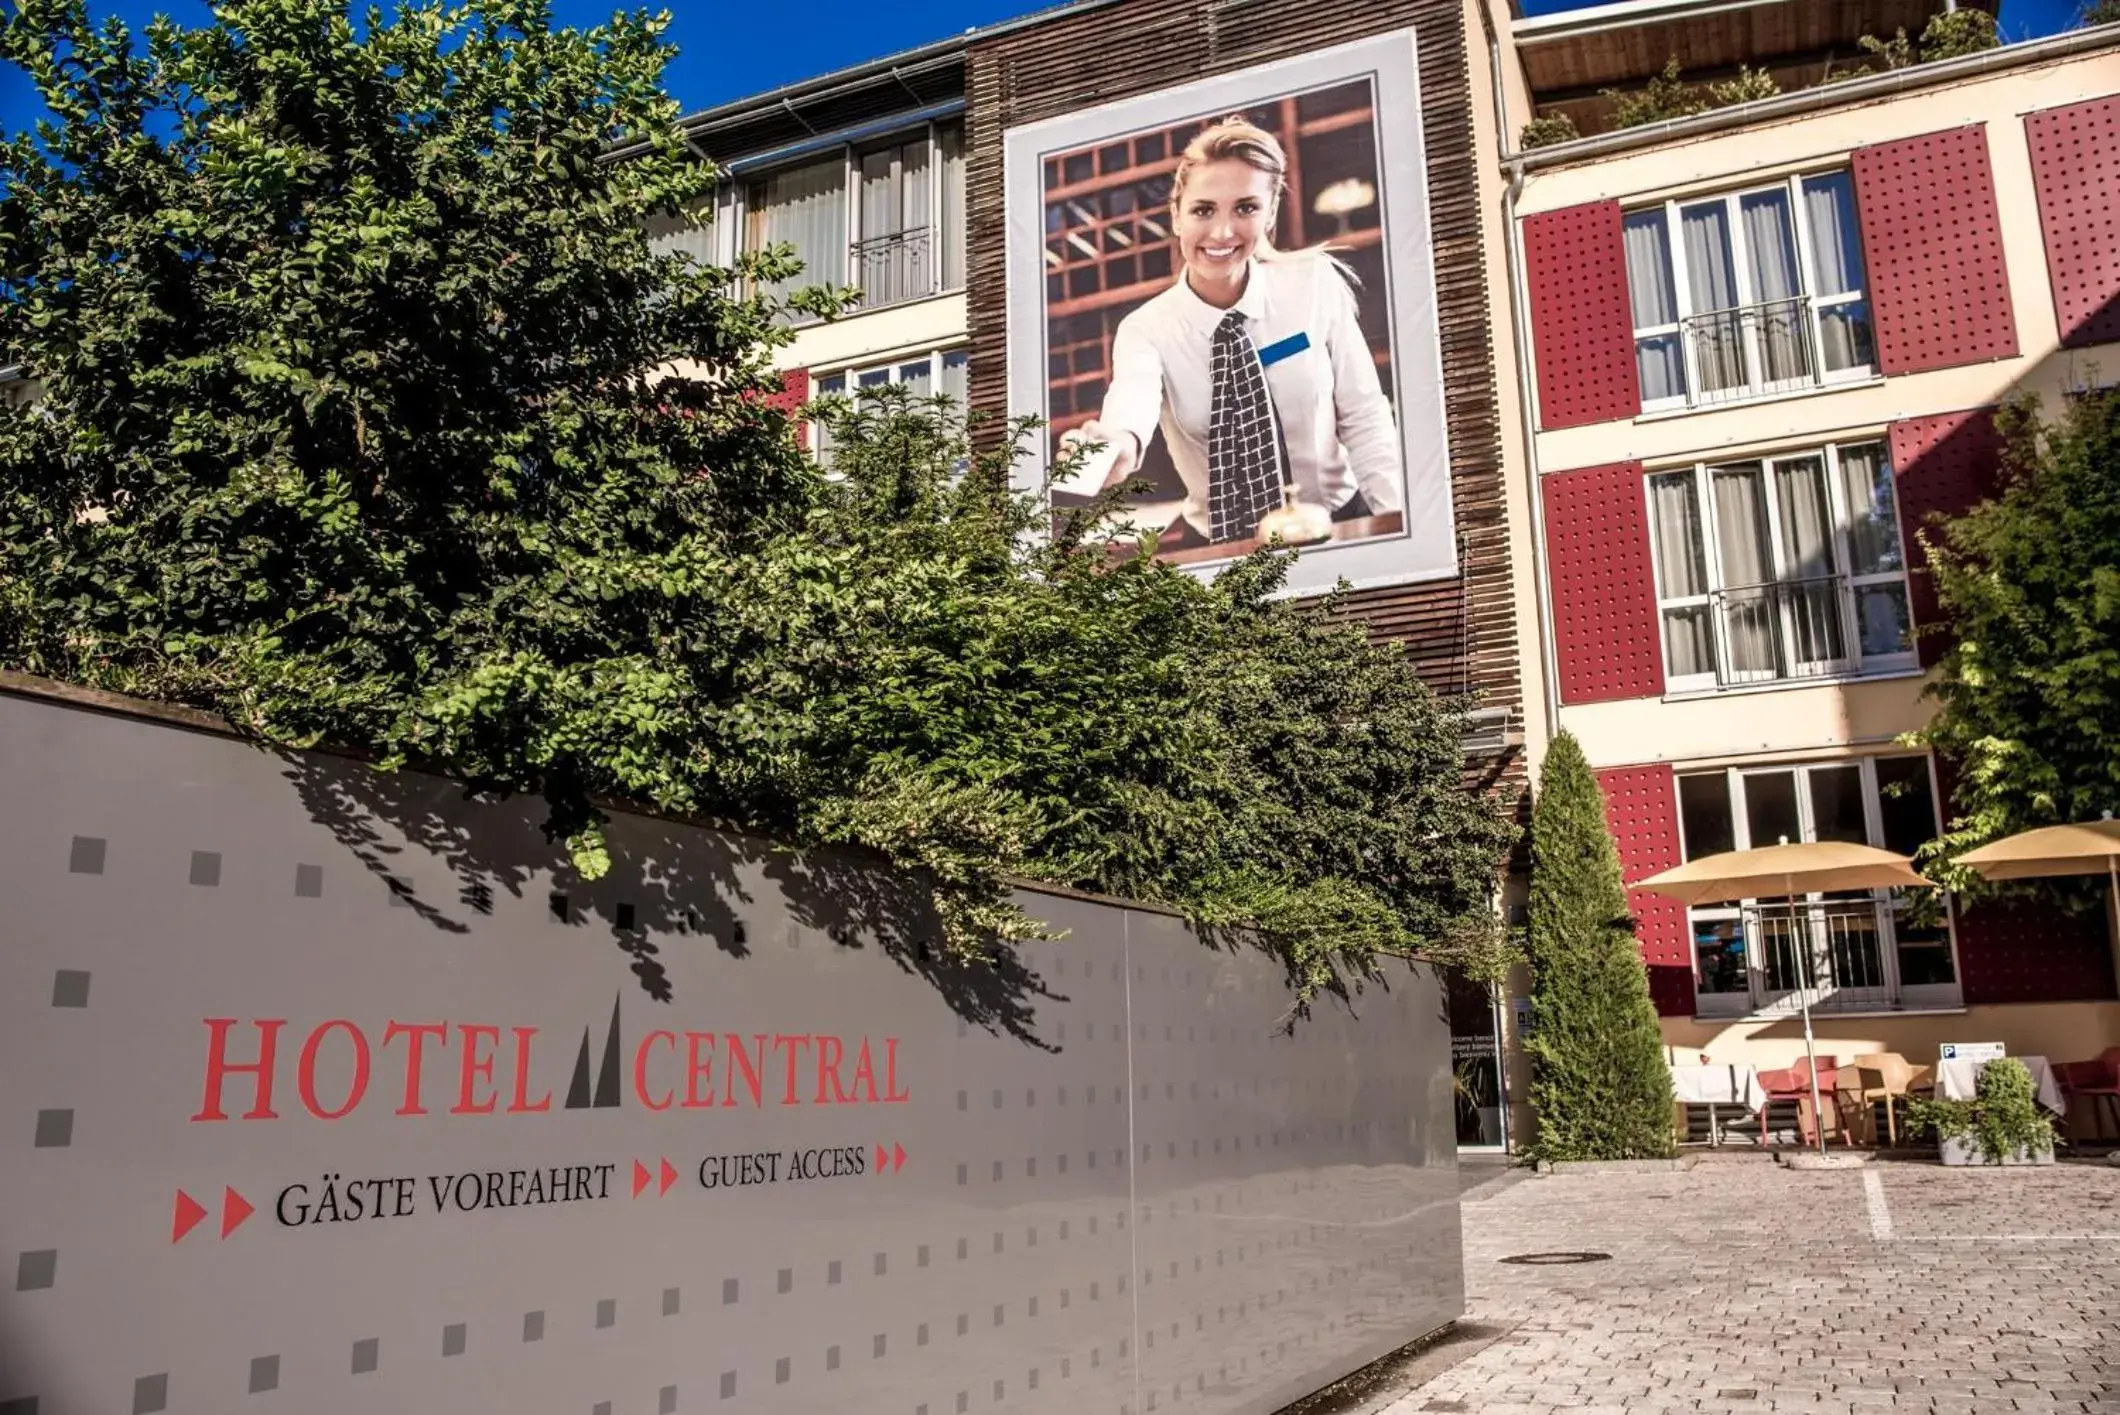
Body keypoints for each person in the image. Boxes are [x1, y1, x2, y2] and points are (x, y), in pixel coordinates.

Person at [1058, 115, 1405, 551]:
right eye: (1203, 210)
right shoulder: (1146, 330)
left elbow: (1365, 418)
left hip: (1334, 526)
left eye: (1246, 208)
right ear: (1176, 215)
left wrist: (1395, 523)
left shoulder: (1314, 286)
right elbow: (1131, 407)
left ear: (1271, 211)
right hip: (1218, 546)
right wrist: (1116, 447)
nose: (1222, 232)